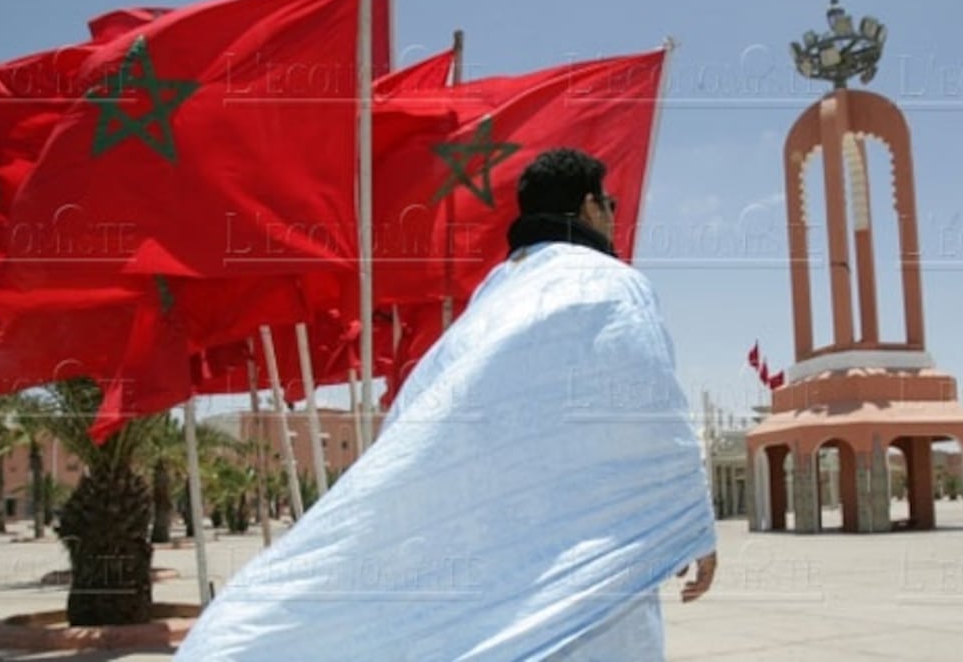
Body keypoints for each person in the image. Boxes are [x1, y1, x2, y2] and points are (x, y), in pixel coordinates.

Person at [176, 148, 717, 661]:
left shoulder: (493, 299)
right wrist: (689, 520)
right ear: (588, 207)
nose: (614, 219)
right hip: (591, 570)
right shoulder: (609, 286)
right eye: (610, 205)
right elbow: (648, 409)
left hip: (503, 563)